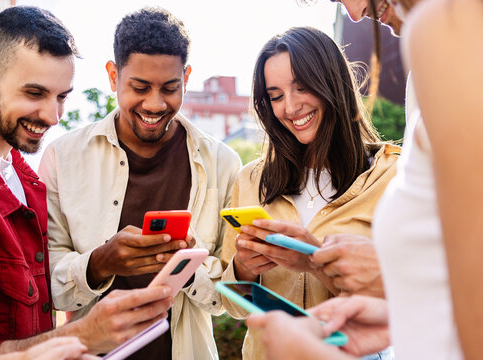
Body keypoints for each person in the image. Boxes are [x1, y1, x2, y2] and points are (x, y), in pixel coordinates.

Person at [0, 6, 173, 360]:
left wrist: (101, 265)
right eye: (34, 93)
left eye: (62, 97)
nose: (52, 116)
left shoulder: (22, 172)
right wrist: (84, 334)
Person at [249, 0, 483, 358]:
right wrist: (396, 314)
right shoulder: (424, 71)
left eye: (301, 88)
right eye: (276, 96)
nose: (354, 14)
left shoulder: (446, 35)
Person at [38, 7, 241, 360]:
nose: (155, 103)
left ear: (187, 77)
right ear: (113, 76)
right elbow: (45, 285)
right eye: (140, 87)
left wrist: (187, 270)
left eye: (170, 88)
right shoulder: (62, 158)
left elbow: (228, 296)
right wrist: (99, 263)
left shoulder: (222, 163)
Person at [219, 26, 399, 360]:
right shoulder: (252, 179)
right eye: (275, 96)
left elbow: (402, 300)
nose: (290, 107)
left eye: (302, 87)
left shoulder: (392, 176)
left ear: (332, 82)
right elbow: (232, 305)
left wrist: (315, 262)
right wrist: (244, 268)